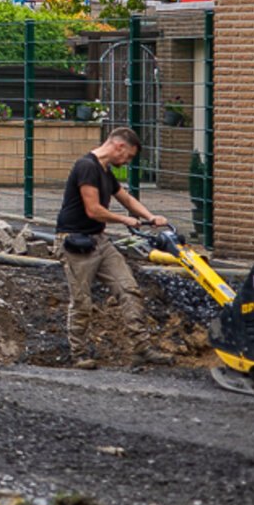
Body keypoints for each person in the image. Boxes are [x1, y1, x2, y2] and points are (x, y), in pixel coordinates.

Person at [55, 126, 171, 369]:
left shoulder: (105, 171)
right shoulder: (86, 166)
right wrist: (124, 220)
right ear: (119, 146)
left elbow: (126, 198)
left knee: (129, 289)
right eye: (128, 156)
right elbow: (93, 209)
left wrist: (151, 217)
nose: (127, 161)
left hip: (99, 240)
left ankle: (142, 348)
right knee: (82, 301)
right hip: (76, 241)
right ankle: (78, 354)